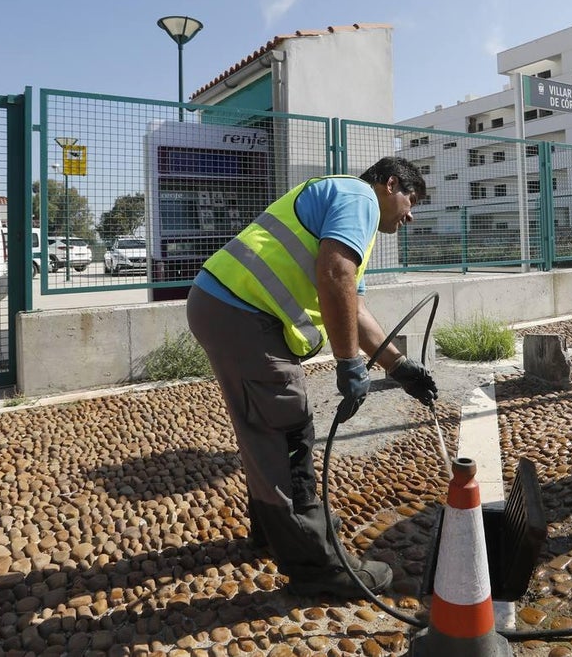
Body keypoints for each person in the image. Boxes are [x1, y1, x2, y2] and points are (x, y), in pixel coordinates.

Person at [186, 156, 438, 598]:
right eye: (411, 200)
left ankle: (275, 531)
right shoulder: (359, 197)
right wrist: (348, 362)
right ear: (390, 184)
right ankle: (316, 565)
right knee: (287, 430)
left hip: (231, 308)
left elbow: (352, 306)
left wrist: (398, 366)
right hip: (242, 313)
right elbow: (335, 273)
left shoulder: (348, 209)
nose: (410, 215)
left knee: (264, 428)